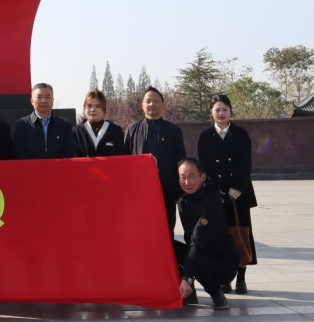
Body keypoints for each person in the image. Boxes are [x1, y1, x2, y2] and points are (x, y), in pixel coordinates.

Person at [197, 92, 257, 293]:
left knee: (241, 234)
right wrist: (217, 190)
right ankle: (225, 278)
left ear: (231, 111)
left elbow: (245, 164)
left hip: (239, 194)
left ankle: (241, 278)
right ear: (211, 112)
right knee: (222, 238)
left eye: (225, 109)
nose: (221, 113)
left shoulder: (241, 134)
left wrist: (235, 189)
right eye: (217, 110)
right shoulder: (205, 137)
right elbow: (204, 166)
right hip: (217, 195)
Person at [174, 157, 237, 310]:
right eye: (182, 177)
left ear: (202, 177)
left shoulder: (210, 202)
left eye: (191, 177)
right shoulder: (184, 198)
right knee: (167, 246)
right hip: (199, 250)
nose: (187, 182)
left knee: (196, 255)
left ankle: (216, 294)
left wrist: (186, 277)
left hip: (222, 262)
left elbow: (198, 242)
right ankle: (188, 293)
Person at [124, 86, 186, 234]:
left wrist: (178, 189)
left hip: (166, 190)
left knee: (166, 229)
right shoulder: (132, 129)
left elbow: (180, 161)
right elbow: (125, 160)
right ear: (142, 105)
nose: (152, 104)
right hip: (139, 190)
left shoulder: (174, 131)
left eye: (156, 101)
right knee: (141, 230)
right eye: (148, 101)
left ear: (163, 105)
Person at [13, 83, 78, 159]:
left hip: (59, 166)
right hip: (30, 166)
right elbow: (19, 152)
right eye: (39, 97)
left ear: (53, 101)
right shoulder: (22, 125)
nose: (43, 101)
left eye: (47, 97)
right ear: (32, 101)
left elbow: (69, 152)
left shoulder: (64, 125)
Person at [72, 90, 128, 157]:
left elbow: (119, 157)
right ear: (84, 108)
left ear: (104, 109)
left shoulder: (115, 131)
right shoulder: (76, 132)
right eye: (89, 106)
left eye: (98, 106)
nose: (93, 110)